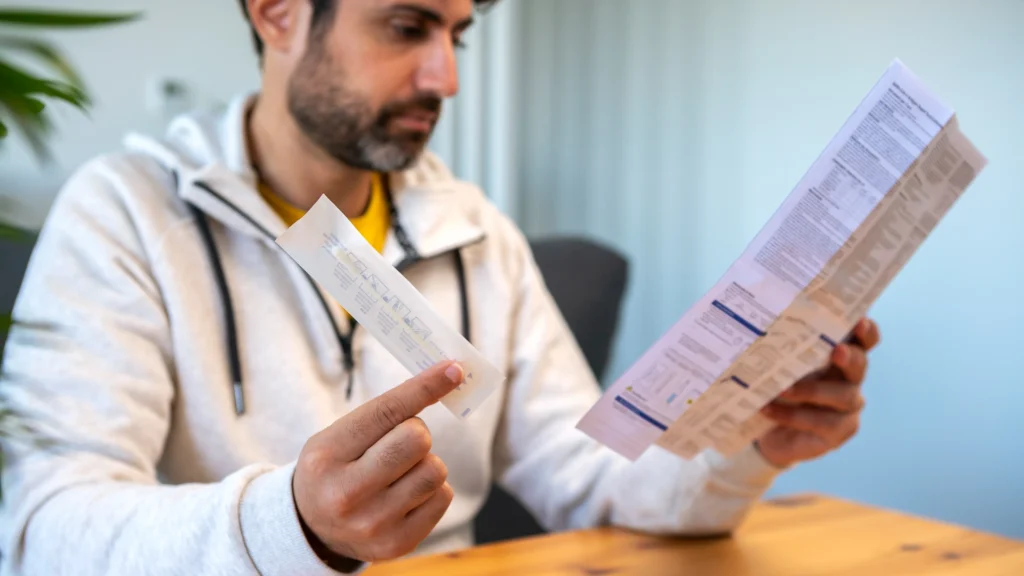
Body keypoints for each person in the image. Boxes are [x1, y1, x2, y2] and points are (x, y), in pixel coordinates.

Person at [0, 0, 881, 574]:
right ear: (275, 14)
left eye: (456, 36)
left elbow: (593, 479)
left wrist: (748, 439)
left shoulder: (475, 234)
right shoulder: (127, 215)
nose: (446, 78)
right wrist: (291, 525)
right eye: (406, 27)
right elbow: (43, 530)